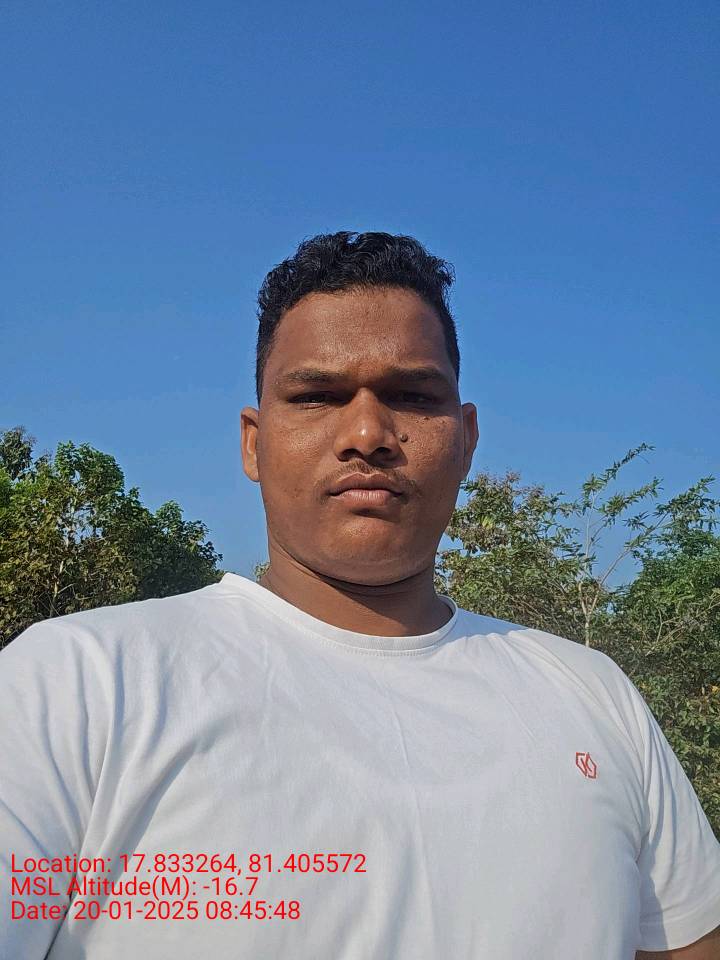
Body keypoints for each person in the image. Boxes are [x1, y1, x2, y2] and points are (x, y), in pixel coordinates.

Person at [1, 231, 719, 960]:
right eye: (317, 396)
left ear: (466, 439)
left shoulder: (594, 696)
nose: (368, 433)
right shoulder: (77, 682)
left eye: (412, 396)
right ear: (253, 443)